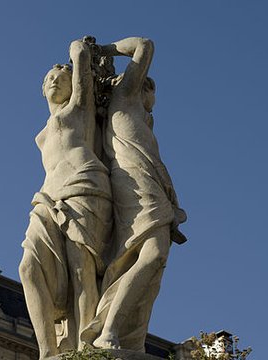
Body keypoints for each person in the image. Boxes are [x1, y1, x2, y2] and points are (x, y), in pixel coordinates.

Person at [81, 37, 187, 352]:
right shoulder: (125, 98)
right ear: (143, 88)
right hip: (136, 187)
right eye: (153, 93)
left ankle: (121, 332)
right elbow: (145, 45)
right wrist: (103, 51)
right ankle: (108, 330)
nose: (155, 101)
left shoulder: (140, 117)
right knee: (152, 255)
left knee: (151, 263)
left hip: (147, 189)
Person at [19, 40, 112, 359]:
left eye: (62, 75)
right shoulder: (42, 132)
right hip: (47, 196)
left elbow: (81, 59)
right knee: (28, 267)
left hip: (84, 184)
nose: (55, 79)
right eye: (49, 77)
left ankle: (85, 349)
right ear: (42, 89)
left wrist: (79, 51)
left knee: (81, 269)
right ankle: (48, 351)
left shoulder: (79, 109)